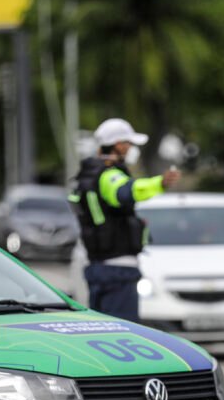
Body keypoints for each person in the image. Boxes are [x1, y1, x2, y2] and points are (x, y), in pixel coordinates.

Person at [70, 118, 180, 321]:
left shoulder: (88, 174)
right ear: (119, 144)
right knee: (122, 331)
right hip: (118, 271)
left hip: (97, 266)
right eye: (129, 143)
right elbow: (126, 192)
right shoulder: (108, 175)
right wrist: (160, 183)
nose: (130, 149)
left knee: (103, 331)